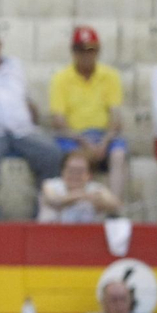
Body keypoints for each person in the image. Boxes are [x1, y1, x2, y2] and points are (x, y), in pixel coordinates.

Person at [0, 25, 63, 198]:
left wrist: (32, 117)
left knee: (52, 153)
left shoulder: (14, 65)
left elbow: (27, 99)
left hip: (22, 130)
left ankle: (47, 213)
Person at [49, 26, 127, 201]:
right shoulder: (61, 78)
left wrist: (105, 142)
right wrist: (84, 142)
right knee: (75, 160)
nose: (86, 54)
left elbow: (116, 117)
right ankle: (73, 207)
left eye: (91, 49)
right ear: (73, 52)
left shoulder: (110, 76)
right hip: (72, 137)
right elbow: (58, 120)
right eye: (81, 49)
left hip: (103, 136)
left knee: (119, 155)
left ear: (98, 51)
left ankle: (113, 207)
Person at [38, 150, 120, 223]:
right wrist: (82, 195)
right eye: (71, 170)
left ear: (89, 174)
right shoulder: (50, 185)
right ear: (62, 171)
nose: (75, 175)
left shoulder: (96, 188)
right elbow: (54, 200)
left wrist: (101, 202)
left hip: (87, 236)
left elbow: (115, 205)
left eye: (80, 171)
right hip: (51, 235)